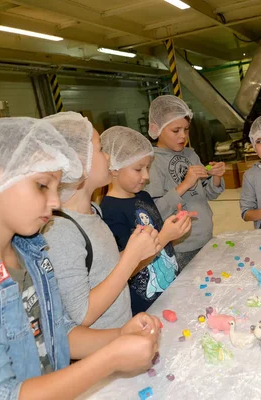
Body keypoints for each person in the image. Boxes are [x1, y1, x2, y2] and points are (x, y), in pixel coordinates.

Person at [0, 118, 161, 399]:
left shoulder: (30, 250)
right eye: (42, 186)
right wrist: (110, 358)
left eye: (56, 187)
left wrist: (120, 335)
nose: (54, 202)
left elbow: (59, 332)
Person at [41, 112, 162, 329]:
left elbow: (107, 271)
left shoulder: (94, 212)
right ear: (76, 162)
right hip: (103, 349)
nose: (107, 157)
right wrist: (131, 257)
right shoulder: (60, 229)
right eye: (99, 150)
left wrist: (140, 252)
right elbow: (82, 314)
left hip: (123, 331)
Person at [100, 126, 191, 314]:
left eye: (147, 167)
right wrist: (165, 236)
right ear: (114, 169)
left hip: (171, 289)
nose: (146, 176)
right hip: (147, 305)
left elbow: (158, 238)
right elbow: (126, 269)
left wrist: (173, 229)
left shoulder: (144, 197)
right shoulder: (109, 211)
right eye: (138, 169)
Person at [144, 95, 225, 269]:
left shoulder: (190, 155)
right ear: (156, 129)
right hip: (181, 248)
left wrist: (216, 176)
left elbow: (207, 193)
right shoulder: (152, 163)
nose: (183, 136)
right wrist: (185, 184)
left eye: (186, 130)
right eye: (176, 130)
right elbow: (155, 210)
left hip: (206, 238)